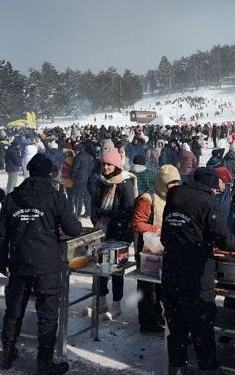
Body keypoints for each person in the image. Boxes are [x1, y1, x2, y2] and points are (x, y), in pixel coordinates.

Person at [0, 153, 82, 374]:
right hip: (46, 264)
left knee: (14, 309)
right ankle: (44, 362)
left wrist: (2, 260)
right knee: (47, 313)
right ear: (48, 174)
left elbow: (1, 234)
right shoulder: (54, 197)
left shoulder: (12, 197)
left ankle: (7, 353)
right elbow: (73, 229)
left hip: (19, 261)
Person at [161, 167, 235, 375]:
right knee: (201, 325)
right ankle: (209, 368)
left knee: (176, 325)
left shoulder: (173, 195)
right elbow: (225, 239)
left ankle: (177, 368)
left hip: (170, 269)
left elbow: (165, 234)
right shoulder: (207, 201)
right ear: (211, 186)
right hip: (196, 273)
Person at [132, 165, 180, 335]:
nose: (174, 187)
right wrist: (158, 229)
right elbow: (137, 223)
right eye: (170, 184)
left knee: (161, 286)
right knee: (147, 287)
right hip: (147, 249)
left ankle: (157, 316)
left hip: (163, 248)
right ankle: (147, 322)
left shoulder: (173, 197)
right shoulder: (147, 198)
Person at [91, 148, 137, 319]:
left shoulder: (125, 183)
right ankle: (101, 301)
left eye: (109, 164)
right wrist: (95, 213)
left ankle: (116, 304)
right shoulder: (100, 182)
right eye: (103, 164)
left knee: (117, 270)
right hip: (103, 230)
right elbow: (95, 204)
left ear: (116, 165)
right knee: (101, 267)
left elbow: (129, 211)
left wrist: (106, 214)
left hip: (121, 232)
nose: (106, 167)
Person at [69, 141, 95, 217]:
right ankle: (88, 212)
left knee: (78, 197)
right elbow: (92, 167)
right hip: (88, 179)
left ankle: (78, 215)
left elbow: (74, 169)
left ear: (78, 151)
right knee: (87, 196)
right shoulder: (90, 156)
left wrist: (73, 177)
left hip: (79, 180)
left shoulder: (78, 157)